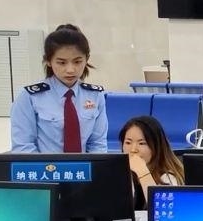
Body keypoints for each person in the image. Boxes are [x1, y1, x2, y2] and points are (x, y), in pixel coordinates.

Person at [11, 24, 108, 153]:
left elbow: (98, 144)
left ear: (86, 59)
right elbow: (23, 147)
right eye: (61, 62)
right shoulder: (29, 97)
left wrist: (92, 166)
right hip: (45, 165)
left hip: (85, 165)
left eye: (77, 62)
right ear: (48, 61)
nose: (70, 70)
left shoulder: (95, 96)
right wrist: (50, 166)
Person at [120, 115, 184, 209]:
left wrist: (142, 172)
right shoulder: (121, 173)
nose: (133, 149)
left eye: (142, 143)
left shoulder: (168, 177)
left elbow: (161, 211)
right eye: (128, 143)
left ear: (157, 146)